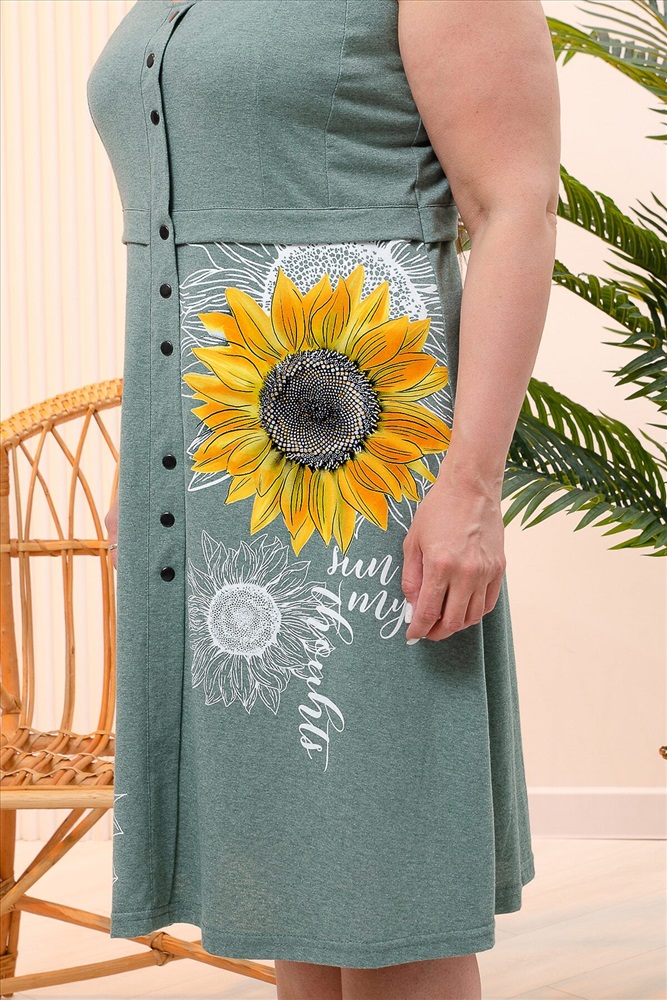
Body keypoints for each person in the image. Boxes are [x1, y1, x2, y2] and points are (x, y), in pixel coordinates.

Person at [95, 1, 560, 998]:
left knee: (384, 879)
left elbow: (514, 206)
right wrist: (151, 457)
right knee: (295, 873)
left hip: (359, 454)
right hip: (219, 462)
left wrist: (471, 487)